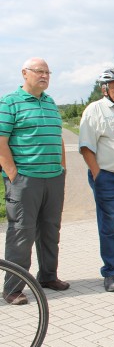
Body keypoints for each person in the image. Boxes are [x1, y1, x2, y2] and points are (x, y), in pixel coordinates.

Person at [0, 58, 69, 306]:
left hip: (53, 178)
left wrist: (63, 169)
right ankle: (13, 288)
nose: (45, 76)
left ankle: (48, 276)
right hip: (25, 180)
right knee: (21, 233)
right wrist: (14, 176)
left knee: (51, 230)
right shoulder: (9, 103)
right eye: (39, 71)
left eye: (48, 72)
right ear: (24, 73)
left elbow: (58, 137)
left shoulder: (50, 103)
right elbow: (1, 141)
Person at [79, 68, 114, 292]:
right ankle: (110, 272)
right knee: (109, 224)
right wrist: (97, 173)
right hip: (107, 177)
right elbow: (85, 145)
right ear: (105, 90)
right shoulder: (95, 110)